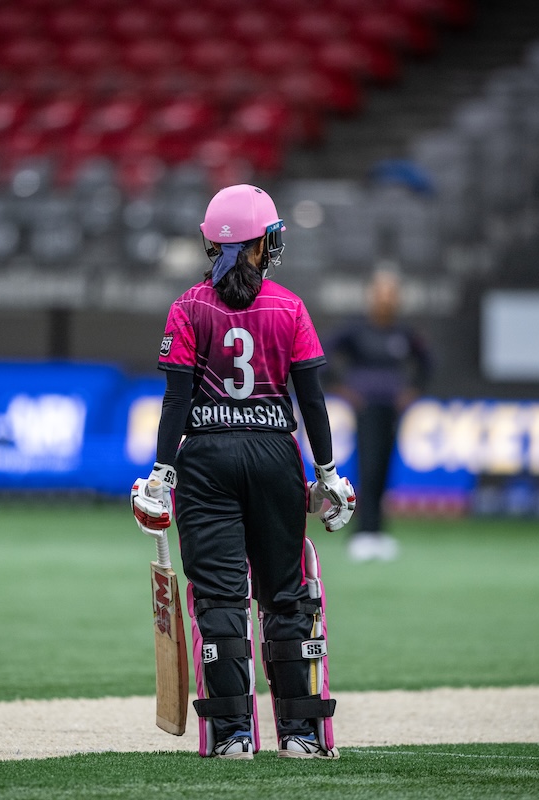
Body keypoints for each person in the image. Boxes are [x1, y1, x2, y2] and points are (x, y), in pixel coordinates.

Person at [131, 184, 354, 761]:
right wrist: (327, 471)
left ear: (212, 243)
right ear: (261, 245)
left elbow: (175, 402)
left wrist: (161, 471)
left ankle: (233, 735)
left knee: (221, 597)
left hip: (205, 459)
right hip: (276, 457)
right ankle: (301, 735)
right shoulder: (290, 307)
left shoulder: (188, 307)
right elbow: (313, 403)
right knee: (285, 596)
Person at [324, 270, 430, 562]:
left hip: (391, 409)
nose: (386, 299)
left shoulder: (402, 333)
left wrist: (413, 390)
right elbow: (324, 354)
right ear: (372, 297)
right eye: (381, 293)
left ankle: (378, 531)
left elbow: (426, 362)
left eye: (391, 293)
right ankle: (362, 533)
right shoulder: (357, 330)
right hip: (366, 407)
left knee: (384, 468)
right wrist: (342, 389)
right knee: (368, 467)